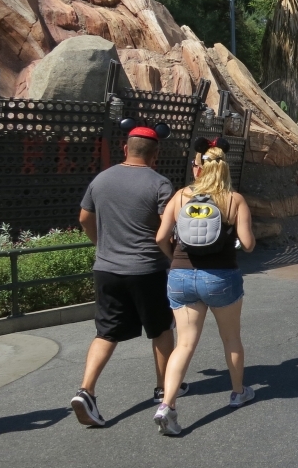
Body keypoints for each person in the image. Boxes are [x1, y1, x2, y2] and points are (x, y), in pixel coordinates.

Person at [71, 126, 179, 427]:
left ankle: (86, 390)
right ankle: (163, 387)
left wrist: (101, 244)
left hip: (106, 268)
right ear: (155, 155)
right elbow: (166, 229)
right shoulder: (160, 184)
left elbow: (84, 218)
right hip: (147, 269)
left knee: (106, 332)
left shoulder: (101, 179)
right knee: (160, 328)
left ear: (125, 149)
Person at [152, 144, 256, 436]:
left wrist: (174, 257)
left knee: (184, 343)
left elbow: (160, 236)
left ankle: (167, 405)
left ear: (200, 168)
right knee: (231, 338)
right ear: (224, 169)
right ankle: (238, 393)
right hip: (221, 277)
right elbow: (248, 245)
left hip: (181, 275)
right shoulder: (234, 200)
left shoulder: (181, 195)